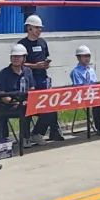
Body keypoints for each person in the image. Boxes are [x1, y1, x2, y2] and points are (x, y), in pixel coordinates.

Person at [19, 14, 64, 142]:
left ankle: (40, 133)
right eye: (37, 27)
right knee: (28, 107)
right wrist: (34, 66)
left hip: (43, 79)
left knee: (50, 106)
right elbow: (19, 63)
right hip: (29, 81)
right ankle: (25, 136)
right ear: (29, 28)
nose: (39, 30)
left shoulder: (43, 43)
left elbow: (45, 57)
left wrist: (45, 64)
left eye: (40, 28)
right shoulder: (22, 45)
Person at [0, 44, 35, 144]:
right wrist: (15, 102)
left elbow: (32, 88)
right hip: (8, 106)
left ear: (24, 58)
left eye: (18, 56)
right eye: (13, 56)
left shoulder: (28, 71)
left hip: (26, 103)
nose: (15, 58)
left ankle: (37, 134)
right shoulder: (3, 73)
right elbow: (2, 95)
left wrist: (28, 100)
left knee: (48, 111)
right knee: (24, 109)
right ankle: (24, 138)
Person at [70, 45, 100, 136]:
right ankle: (99, 128)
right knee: (96, 103)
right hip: (82, 96)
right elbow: (78, 88)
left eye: (88, 56)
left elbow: (95, 84)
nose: (87, 58)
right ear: (78, 58)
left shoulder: (91, 70)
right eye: (84, 56)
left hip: (93, 94)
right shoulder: (76, 71)